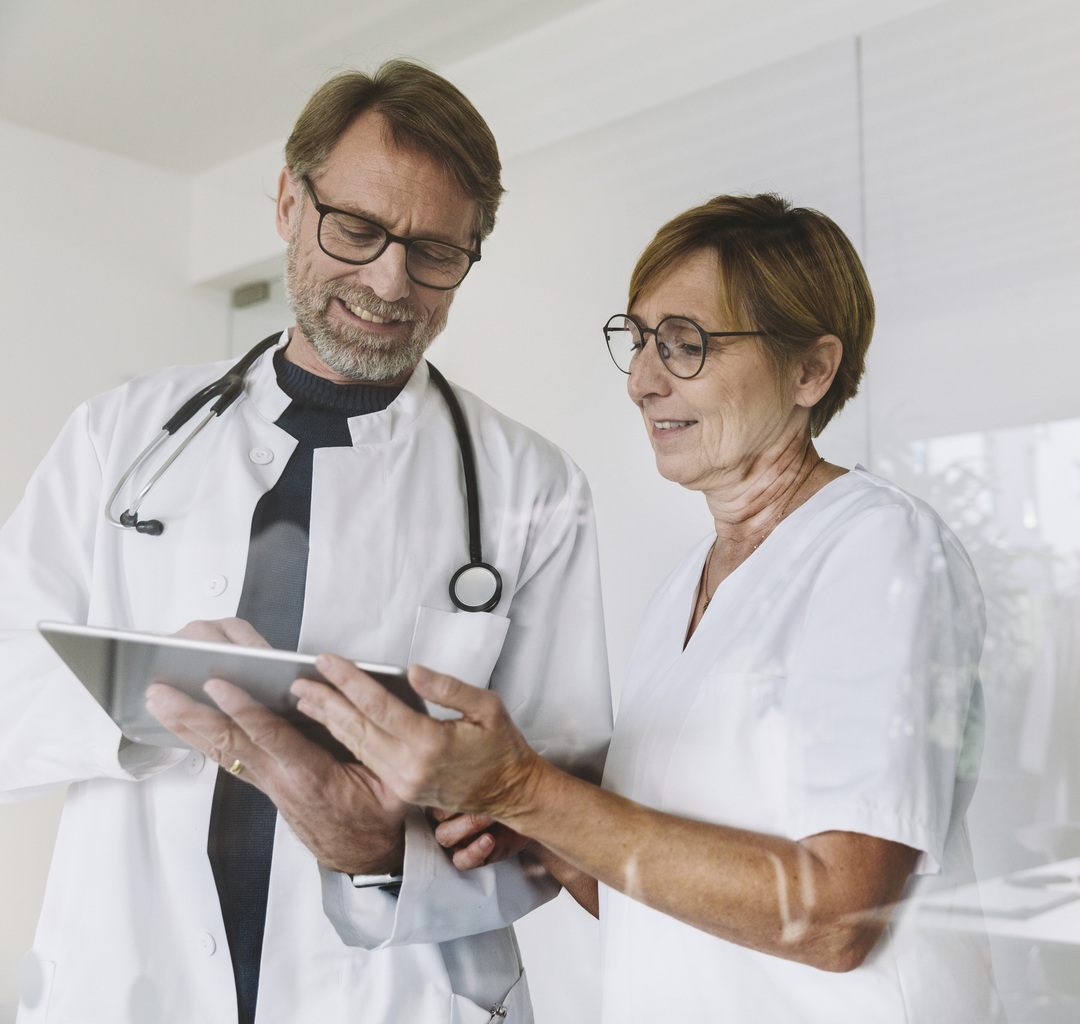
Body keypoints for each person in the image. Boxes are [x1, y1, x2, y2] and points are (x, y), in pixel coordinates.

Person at [0, 61, 611, 1023]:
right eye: (357, 230)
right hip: (129, 973)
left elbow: (565, 821)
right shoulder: (117, 438)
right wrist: (149, 701)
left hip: (390, 990)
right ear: (289, 201)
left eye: (435, 253)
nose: (389, 281)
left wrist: (382, 855)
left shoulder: (532, 489)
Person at [295, 194, 1003, 1023]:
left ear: (810, 370)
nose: (641, 380)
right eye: (637, 341)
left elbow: (839, 916)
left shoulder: (878, 550)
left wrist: (528, 790)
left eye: (685, 345)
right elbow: (646, 900)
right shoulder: (686, 592)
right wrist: (536, 828)